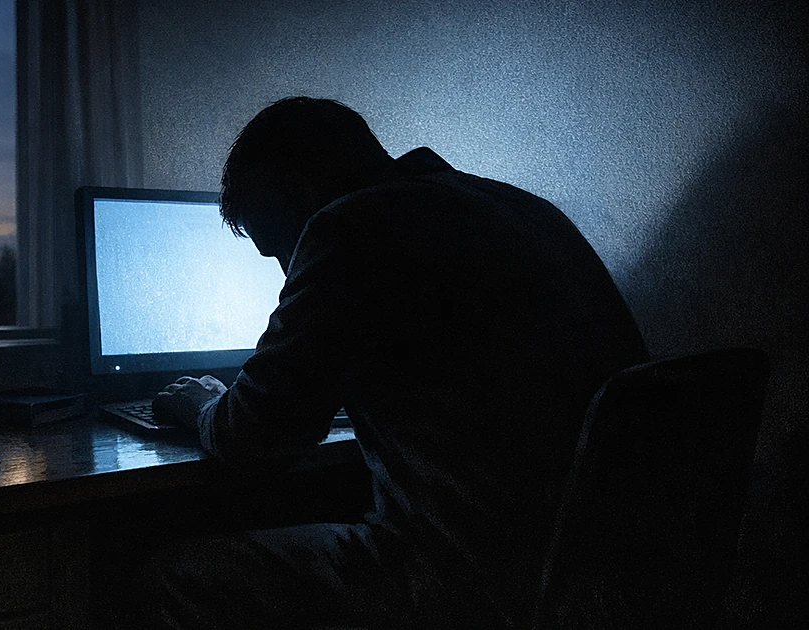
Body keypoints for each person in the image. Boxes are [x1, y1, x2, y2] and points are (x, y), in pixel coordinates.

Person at [143, 97, 648, 628]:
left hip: (470, 575)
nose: (287, 273)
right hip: (602, 571)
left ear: (298, 196)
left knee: (174, 576)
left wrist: (200, 405)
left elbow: (253, 439)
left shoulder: (350, 227)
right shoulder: (520, 206)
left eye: (277, 249)